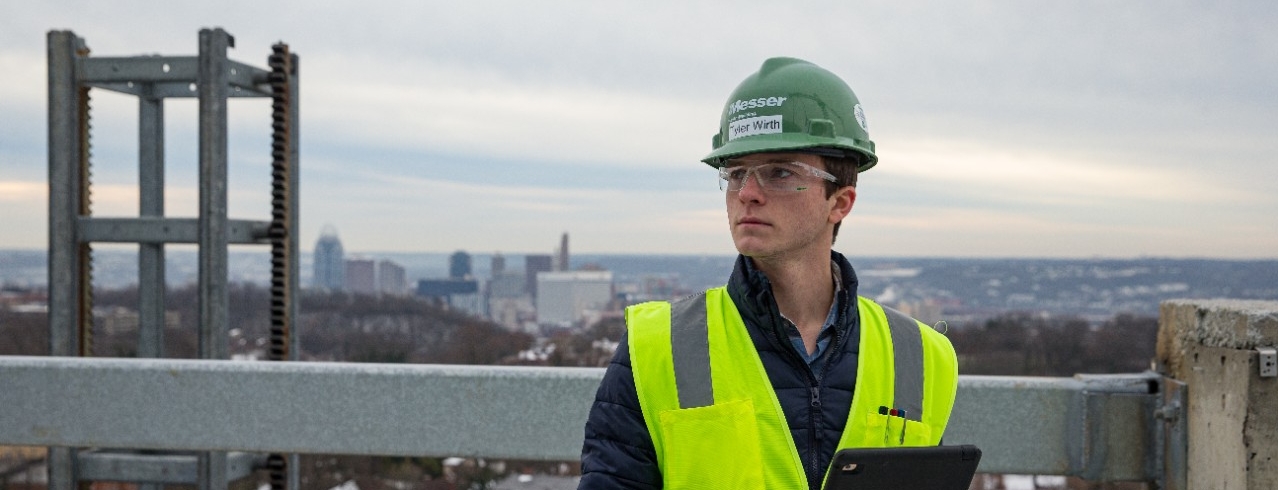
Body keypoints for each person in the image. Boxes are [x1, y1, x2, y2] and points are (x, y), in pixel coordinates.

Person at [578, 57, 959, 490]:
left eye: (780, 172)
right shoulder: (656, 348)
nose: (748, 194)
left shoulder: (920, 358)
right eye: (736, 173)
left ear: (840, 202)